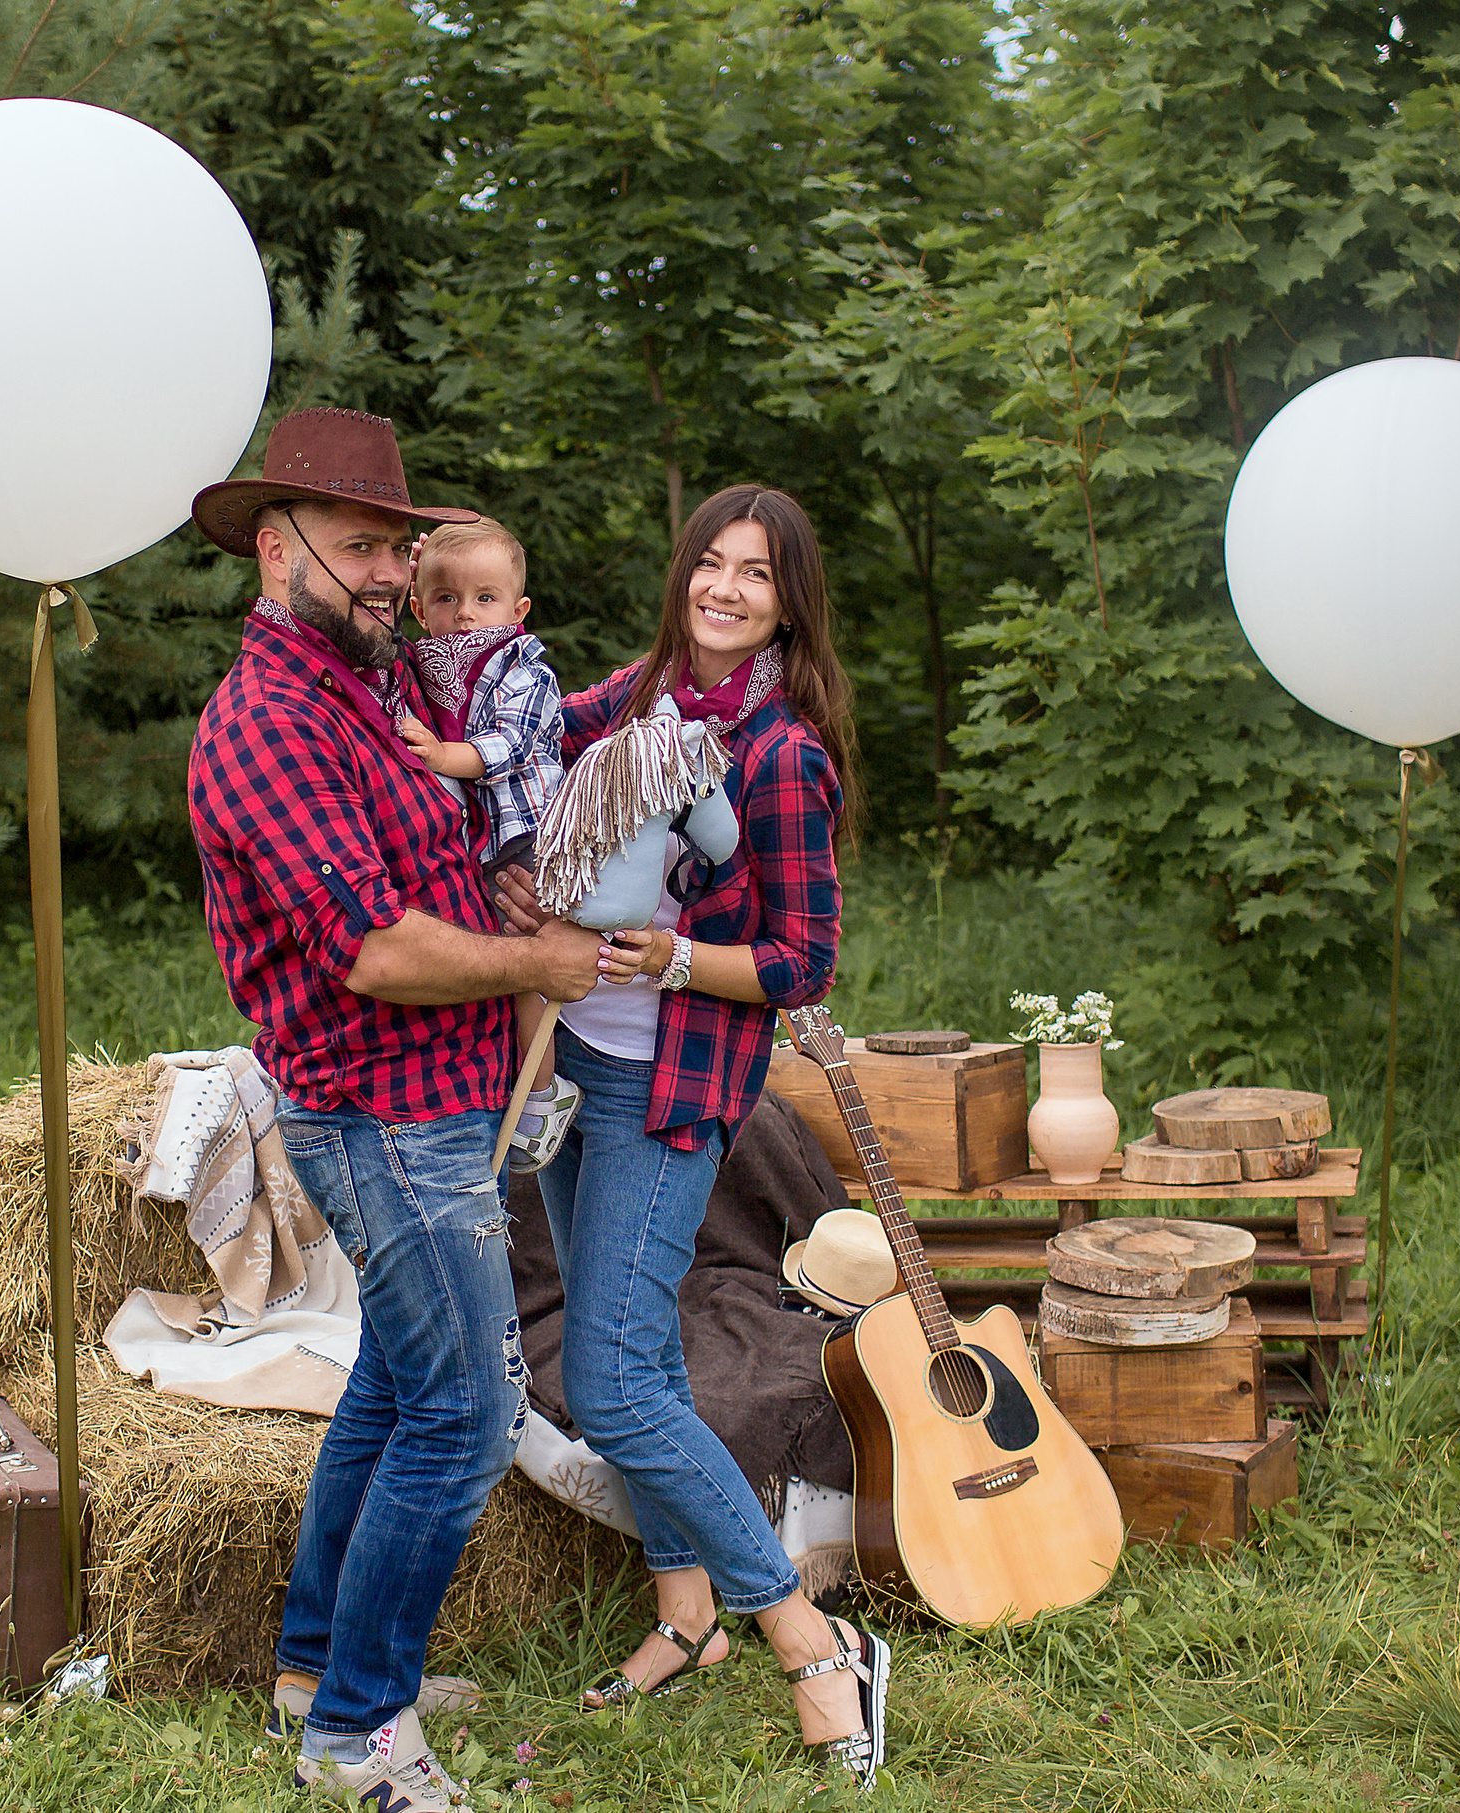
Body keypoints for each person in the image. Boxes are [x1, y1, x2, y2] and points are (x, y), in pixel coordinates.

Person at [187, 408, 604, 1813]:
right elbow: (374, 949)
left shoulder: (364, 687)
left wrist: (510, 889)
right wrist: (537, 964)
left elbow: (431, 858)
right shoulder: (269, 720)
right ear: (275, 547)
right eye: (360, 545)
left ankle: (317, 1667)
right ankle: (357, 1734)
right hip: (382, 1117)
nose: (388, 572)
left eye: (396, 547)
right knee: (467, 1414)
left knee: (393, 1383)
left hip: (434, 1101)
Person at [498, 483, 890, 1790]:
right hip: (565, 1066)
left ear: (789, 604)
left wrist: (672, 956)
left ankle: (810, 1637)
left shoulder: (779, 756)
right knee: (641, 1355)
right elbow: (526, 738)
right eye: (711, 563)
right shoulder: (640, 697)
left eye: (756, 574)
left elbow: (802, 961)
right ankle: (685, 1613)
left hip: (664, 1090)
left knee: (612, 1381)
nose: (725, 588)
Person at [393, 516, 578, 1168]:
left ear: (518, 611)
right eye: (446, 598)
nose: (466, 613)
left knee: (525, 966)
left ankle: (542, 1096)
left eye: (485, 597)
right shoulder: (427, 662)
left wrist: (442, 754)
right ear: (420, 608)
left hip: (526, 836)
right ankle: (504, 1084)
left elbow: (509, 745)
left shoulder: (524, 671)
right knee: (478, 961)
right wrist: (403, 580)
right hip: (476, 840)